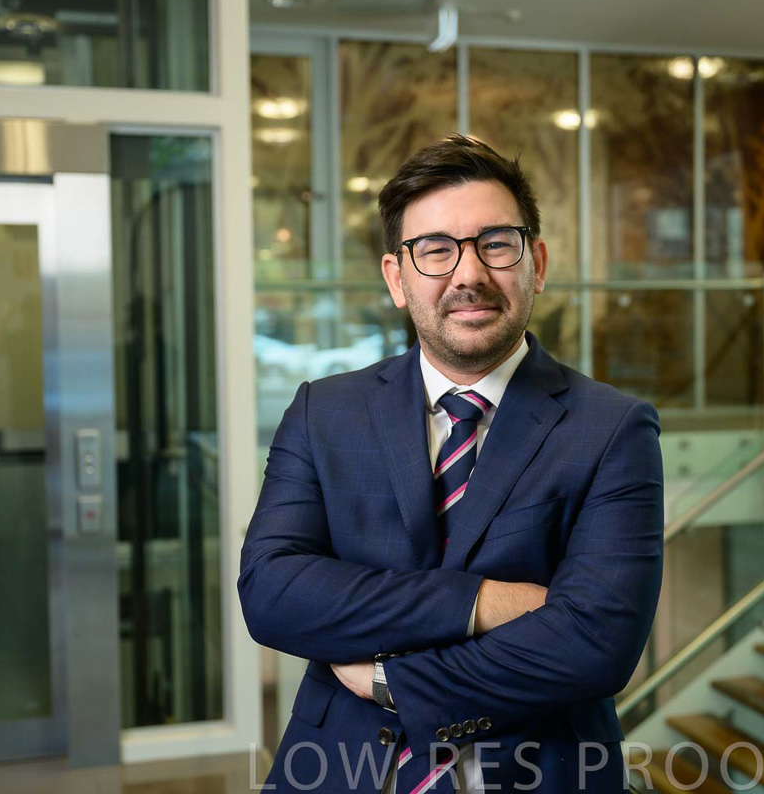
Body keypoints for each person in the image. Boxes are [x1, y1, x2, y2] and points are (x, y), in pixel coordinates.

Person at [239, 134, 664, 793]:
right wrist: (484, 602)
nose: (469, 275)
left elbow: (597, 642)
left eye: (495, 244)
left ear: (536, 263)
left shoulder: (612, 428)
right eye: (436, 249)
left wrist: (391, 679)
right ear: (396, 279)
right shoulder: (325, 412)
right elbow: (272, 592)